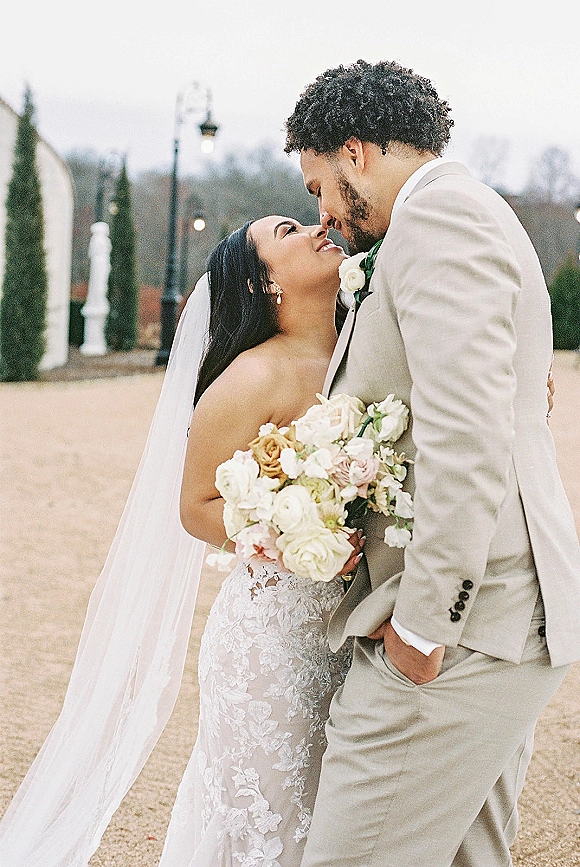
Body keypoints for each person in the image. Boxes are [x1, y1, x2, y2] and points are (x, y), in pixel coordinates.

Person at [283, 59, 580, 867]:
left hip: (466, 625)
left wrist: (422, 624)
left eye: (320, 186)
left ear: (356, 154)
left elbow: (468, 433)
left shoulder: (442, 219)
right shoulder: (452, 217)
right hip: (493, 620)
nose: (323, 212)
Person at [0, 216, 361, 867]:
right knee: (268, 825)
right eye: (289, 230)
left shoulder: (359, 349)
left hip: (349, 635)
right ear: (265, 282)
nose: (316, 227)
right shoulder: (251, 378)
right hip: (271, 650)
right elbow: (196, 506)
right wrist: (303, 534)